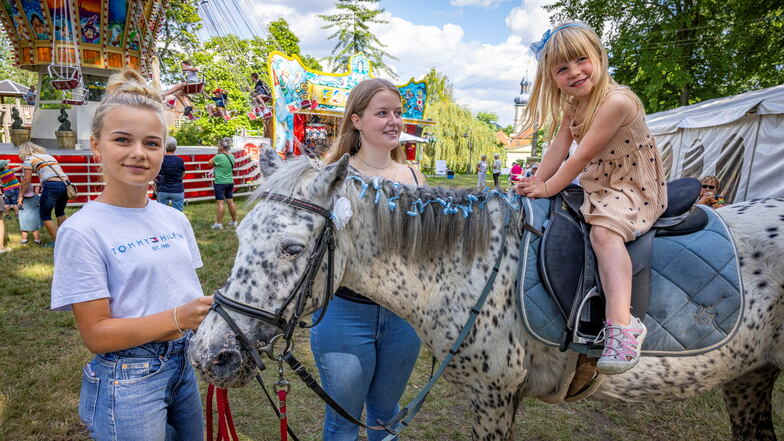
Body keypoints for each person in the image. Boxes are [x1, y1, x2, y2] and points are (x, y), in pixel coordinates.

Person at [50, 69, 213, 440]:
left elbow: (179, 293)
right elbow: (97, 334)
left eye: (152, 143)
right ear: (96, 146)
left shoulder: (174, 219)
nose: (139, 153)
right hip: (127, 379)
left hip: (182, 366)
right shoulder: (82, 230)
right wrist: (179, 316)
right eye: (123, 140)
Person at [514, 21, 667, 375]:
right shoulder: (573, 104)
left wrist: (550, 187)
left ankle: (622, 323)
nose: (574, 73)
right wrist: (537, 180)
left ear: (598, 56)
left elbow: (580, 157)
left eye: (581, 60)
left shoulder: (617, 102)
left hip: (631, 186)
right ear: (552, 77)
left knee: (603, 233)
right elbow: (559, 147)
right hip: (599, 182)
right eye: (562, 68)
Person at [316, 78, 423, 441]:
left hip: (402, 318)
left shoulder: (412, 176)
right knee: (343, 421)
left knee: (386, 416)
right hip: (344, 315)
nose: (394, 121)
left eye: (397, 113)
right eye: (382, 113)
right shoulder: (333, 176)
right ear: (357, 120)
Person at [16, 142, 71, 247]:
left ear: (24, 152)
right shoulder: (48, 156)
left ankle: (58, 242)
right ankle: (66, 239)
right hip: (66, 184)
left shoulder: (29, 159)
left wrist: (20, 195)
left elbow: (26, 180)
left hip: (51, 185)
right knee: (60, 212)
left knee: (45, 214)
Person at [208, 137, 237, 229]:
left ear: (222, 146)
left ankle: (218, 223)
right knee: (230, 202)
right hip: (230, 182)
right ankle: (234, 221)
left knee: (220, 203)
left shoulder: (218, 157)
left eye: (219, 145)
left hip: (220, 182)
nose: (218, 146)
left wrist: (218, 153)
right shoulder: (232, 156)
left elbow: (209, 163)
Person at [155, 136, 186, 211]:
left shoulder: (160, 160)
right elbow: (183, 174)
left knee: (161, 212)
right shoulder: (180, 160)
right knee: (178, 213)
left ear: (164, 147)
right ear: (175, 148)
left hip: (162, 190)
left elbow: (155, 174)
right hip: (177, 190)